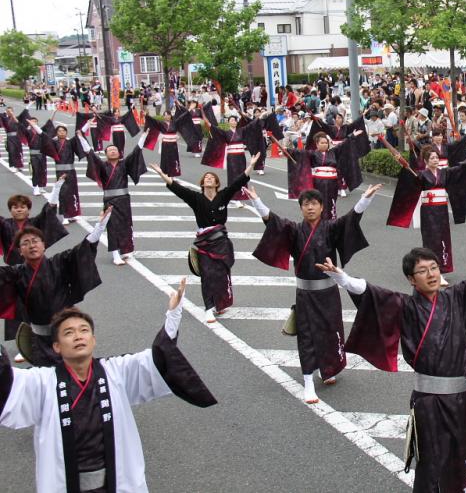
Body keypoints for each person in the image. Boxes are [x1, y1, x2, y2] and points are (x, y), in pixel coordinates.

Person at [321, 220, 466, 492]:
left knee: (462, 456)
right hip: (429, 400)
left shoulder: (456, 297)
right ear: (411, 279)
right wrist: (341, 278)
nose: (431, 274)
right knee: (432, 461)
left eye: (434, 268)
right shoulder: (404, 306)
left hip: (461, 396)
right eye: (422, 271)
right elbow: (370, 292)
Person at [0, 279, 217, 492]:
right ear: (56, 346)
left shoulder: (116, 371)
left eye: (84, 330)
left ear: (93, 340)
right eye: (68, 332)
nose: (78, 336)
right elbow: (5, 381)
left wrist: (173, 315)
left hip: (115, 483)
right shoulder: (42, 382)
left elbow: (159, 357)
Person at [249, 184, 381, 404]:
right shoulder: (293, 230)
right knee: (308, 336)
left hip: (328, 292)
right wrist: (257, 201)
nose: (310, 207)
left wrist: (364, 200)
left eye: (314, 204)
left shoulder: (331, 228)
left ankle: (327, 368)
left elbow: (351, 219)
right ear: (301, 208)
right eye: (306, 204)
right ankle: (308, 382)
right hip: (305, 294)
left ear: (322, 207)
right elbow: (272, 222)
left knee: (331, 331)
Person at [150, 153, 260, 322]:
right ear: (202, 183)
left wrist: (251, 165)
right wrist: (162, 174)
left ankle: (220, 303)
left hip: (222, 241)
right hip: (204, 242)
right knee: (207, 274)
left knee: (223, 274)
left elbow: (239, 180)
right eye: (206, 177)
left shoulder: (224, 195)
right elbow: (178, 188)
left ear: (216, 183)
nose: (208, 178)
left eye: (212, 177)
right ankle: (209, 308)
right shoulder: (196, 198)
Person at [0, 210, 110, 367]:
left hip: (66, 336)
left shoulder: (60, 262)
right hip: (39, 340)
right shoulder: (16, 273)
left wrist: (99, 228)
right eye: (25, 243)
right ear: (20, 251)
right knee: (47, 381)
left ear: (44, 245)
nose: (31, 245)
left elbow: (82, 250)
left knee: (75, 375)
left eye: (35, 241)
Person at [388, 143, 466, 275]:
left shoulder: (444, 172)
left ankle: (442, 268)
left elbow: (461, 168)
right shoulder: (422, 174)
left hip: (442, 211)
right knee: (431, 240)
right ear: (426, 161)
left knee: (443, 239)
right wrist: (401, 163)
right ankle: (432, 270)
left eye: (436, 158)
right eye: (432, 158)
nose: (435, 160)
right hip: (428, 212)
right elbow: (410, 177)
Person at [78, 130, 148, 266]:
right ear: (106, 154)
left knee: (126, 225)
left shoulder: (124, 164)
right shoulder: (103, 166)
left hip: (124, 199)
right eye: (110, 150)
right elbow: (91, 154)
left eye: (115, 149)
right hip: (110, 200)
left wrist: (143, 136)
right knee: (112, 227)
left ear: (119, 153)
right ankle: (115, 254)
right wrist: (82, 139)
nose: (113, 151)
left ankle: (126, 250)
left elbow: (136, 152)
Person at [288, 131, 366, 220]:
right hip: (317, 183)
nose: (324, 145)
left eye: (326, 143)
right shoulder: (312, 154)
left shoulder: (333, 152)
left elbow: (343, 145)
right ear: (317, 144)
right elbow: (300, 153)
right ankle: (317, 220)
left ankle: (331, 221)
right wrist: (287, 150)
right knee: (318, 201)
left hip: (332, 183)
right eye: (322, 143)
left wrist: (352, 136)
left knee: (331, 202)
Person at [51, 124, 85, 223]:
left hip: (71, 171)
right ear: (56, 133)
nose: (62, 132)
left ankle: (70, 214)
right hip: (60, 171)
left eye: (63, 131)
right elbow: (45, 140)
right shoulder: (54, 143)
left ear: (66, 132)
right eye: (59, 131)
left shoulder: (70, 142)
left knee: (72, 192)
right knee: (63, 193)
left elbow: (79, 135)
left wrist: (86, 125)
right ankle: (64, 216)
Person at [1, 107, 25, 172]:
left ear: (13, 111)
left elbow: (18, 122)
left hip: (17, 137)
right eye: (8, 111)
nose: (9, 112)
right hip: (9, 137)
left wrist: (13, 116)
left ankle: (19, 166)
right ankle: (15, 165)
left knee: (18, 151)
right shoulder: (5, 118)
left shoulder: (16, 118)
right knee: (12, 151)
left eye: (10, 111)